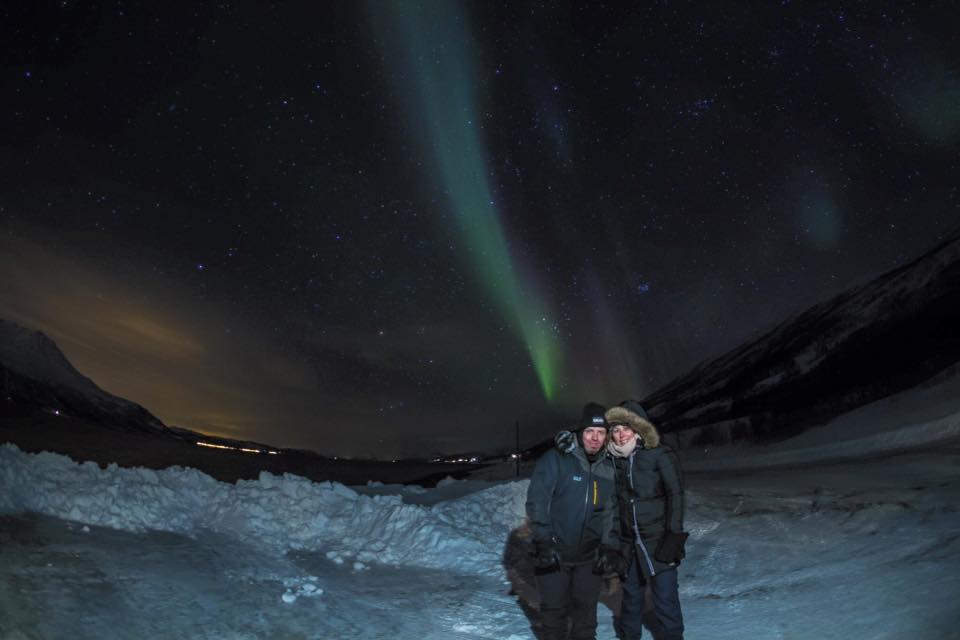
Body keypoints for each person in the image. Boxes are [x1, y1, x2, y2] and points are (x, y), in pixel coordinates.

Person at [525, 402, 622, 640]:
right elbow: (537, 501)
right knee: (554, 616)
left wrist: (609, 545)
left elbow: (611, 510)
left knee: (586, 617)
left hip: (589, 558)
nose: (595, 438)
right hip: (554, 554)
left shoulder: (609, 467)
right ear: (580, 433)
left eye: (601, 433)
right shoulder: (557, 459)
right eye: (590, 431)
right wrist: (544, 540)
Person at [605, 400, 687, 640]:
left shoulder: (660, 454)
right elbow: (613, 506)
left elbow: (676, 495)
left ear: (638, 428)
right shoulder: (614, 461)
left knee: (666, 601)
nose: (620, 435)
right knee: (631, 601)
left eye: (625, 429)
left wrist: (673, 535)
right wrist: (614, 545)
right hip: (629, 546)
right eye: (615, 430)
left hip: (660, 542)